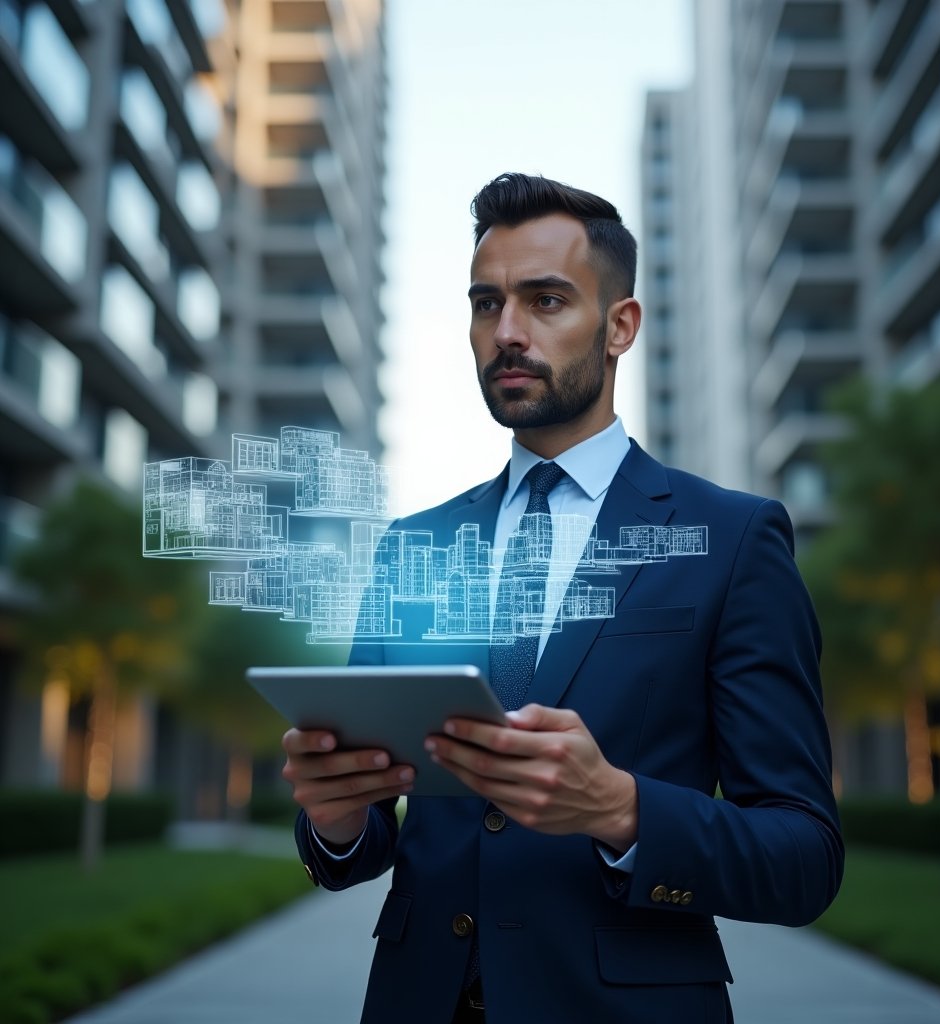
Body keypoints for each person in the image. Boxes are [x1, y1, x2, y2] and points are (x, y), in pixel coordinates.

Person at [282, 173, 843, 1024]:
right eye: (486, 304)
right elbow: (365, 850)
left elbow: (803, 857)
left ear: (620, 326)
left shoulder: (732, 539)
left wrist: (624, 810)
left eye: (546, 301)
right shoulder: (414, 546)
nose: (506, 333)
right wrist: (339, 822)